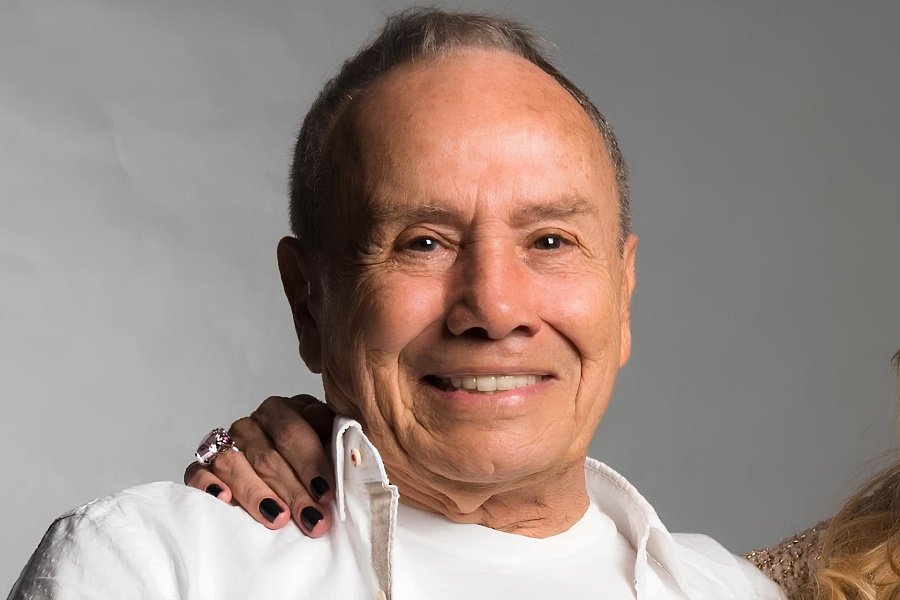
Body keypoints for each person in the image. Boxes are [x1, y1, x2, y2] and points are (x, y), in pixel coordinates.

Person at [10, 9, 783, 599]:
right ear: (308, 302)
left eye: (550, 240)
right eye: (423, 242)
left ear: (623, 295)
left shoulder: (743, 593)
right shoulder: (153, 568)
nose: (495, 308)